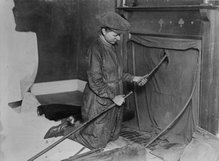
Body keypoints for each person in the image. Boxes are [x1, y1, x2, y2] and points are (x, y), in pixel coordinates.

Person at [45, 11, 147, 149]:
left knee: (113, 136)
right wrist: (113, 97)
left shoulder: (114, 47)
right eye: (115, 35)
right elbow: (95, 81)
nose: (118, 39)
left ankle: (79, 125)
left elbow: (117, 74)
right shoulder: (96, 49)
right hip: (99, 100)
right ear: (104, 31)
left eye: (119, 36)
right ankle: (66, 129)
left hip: (114, 98)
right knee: (96, 143)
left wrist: (134, 78)